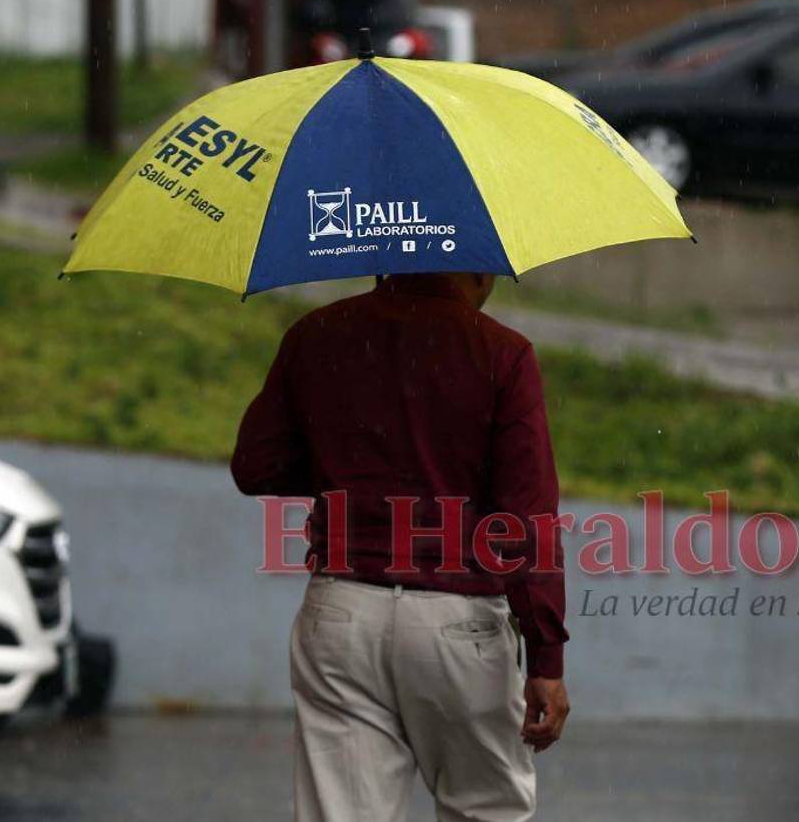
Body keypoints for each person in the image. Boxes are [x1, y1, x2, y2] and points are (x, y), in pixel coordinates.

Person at [231, 272, 570, 821]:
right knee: (484, 812)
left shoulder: (315, 335)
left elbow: (256, 465)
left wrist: (348, 474)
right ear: (476, 267)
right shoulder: (501, 354)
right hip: (459, 625)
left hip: (341, 615)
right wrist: (546, 659)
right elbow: (526, 524)